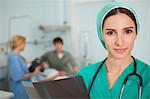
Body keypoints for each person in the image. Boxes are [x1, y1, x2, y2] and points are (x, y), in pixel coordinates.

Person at [77, 2, 150, 99]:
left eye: (127, 31)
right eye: (110, 33)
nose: (119, 42)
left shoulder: (147, 76)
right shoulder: (84, 76)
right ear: (101, 35)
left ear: (136, 33)